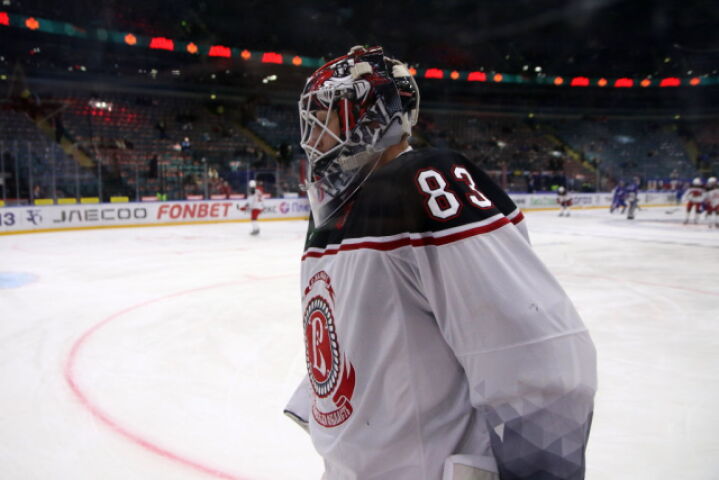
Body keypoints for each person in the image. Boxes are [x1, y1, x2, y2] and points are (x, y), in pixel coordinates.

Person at [284, 45, 596, 480]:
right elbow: (353, 338)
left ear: (370, 113)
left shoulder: (427, 184)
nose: (311, 137)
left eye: (324, 115)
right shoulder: (332, 213)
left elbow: (535, 360)